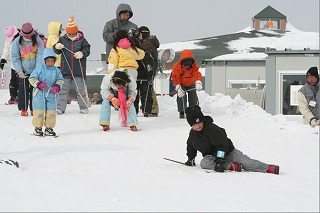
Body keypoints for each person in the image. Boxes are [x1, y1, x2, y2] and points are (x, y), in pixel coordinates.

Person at [183, 105, 280, 174]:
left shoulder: (213, 129)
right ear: (191, 125)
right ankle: (230, 166)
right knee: (204, 163)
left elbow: (222, 145)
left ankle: (267, 168)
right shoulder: (193, 134)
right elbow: (190, 146)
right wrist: (190, 158)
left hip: (228, 152)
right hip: (211, 156)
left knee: (245, 162)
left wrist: (220, 160)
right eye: (195, 124)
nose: (198, 125)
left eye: (200, 122)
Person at [53, 15, 91, 114]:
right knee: (63, 90)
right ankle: (60, 108)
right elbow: (56, 51)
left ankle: (84, 107)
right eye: (70, 34)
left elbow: (87, 49)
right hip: (65, 70)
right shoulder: (63, 39)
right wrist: (57, 46)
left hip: (79, 70)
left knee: (80, 89)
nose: (72, 35)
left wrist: (82, 53)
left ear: (76, 31)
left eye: (73, 33)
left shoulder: (82, 40)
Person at [11, 22, 45, 116]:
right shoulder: (17, 42)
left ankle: (34, 108)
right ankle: (23, 108)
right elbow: (15, 57)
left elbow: (40, 55)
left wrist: (37, 70)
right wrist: (19, 70)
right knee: (23, 90)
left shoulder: (38, 41)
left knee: (35, 90)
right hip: (23, 70)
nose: (28, 38)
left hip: (35, 70)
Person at [29, 48, 64, 136]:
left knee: (51, 111)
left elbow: (60, 80)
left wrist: (57, 86)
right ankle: (38, 128)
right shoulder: (39, 68)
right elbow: (32, 78)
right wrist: (39, 84)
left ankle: (49, 128)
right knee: (39, 110)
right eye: (48, 61)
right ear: (44, 60)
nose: (50, 63)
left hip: (51, 94)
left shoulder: (56, 70)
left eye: (52, 61)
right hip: (39, 93)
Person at [171, 49, 203, 119]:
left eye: (189, 64)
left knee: (193, 97)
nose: (187, 66)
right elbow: (175, 76)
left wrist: (198, 82)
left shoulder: (193, 65)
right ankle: (182, 112)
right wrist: (178, 87)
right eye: (186, 64)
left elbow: (197, 73)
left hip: (190, 82)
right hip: (181, 83)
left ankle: (195, 111)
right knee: (181, 96)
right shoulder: (177, 66)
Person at [136, 26, 160, 117]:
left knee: (148, 90)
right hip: (150, 69)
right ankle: (149, 107)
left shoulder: (146, 45)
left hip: (148, 70)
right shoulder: (150, 43)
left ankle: (153, 109)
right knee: (148, 89)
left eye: (138, 35)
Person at [1, 25, 19, 105]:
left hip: (21, 65)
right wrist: (3, 60)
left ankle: (19, 96)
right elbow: (6, 50)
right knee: (13, 81)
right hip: (13, 65)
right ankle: (13, 96)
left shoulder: (21, 39)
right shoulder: (8, 41)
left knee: (20, 81)